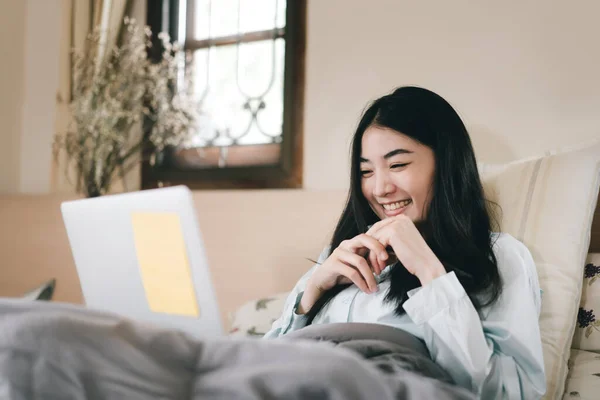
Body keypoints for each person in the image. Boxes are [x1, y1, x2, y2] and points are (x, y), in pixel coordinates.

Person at [263, 86, 546, 399]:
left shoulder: (498, 255)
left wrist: (430, 273)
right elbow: (263, 367)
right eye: (366, 171)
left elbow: (513, 393)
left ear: (446, 164)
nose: (380, 188)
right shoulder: (340, 256)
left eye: (397, 165)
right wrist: (314, 289)